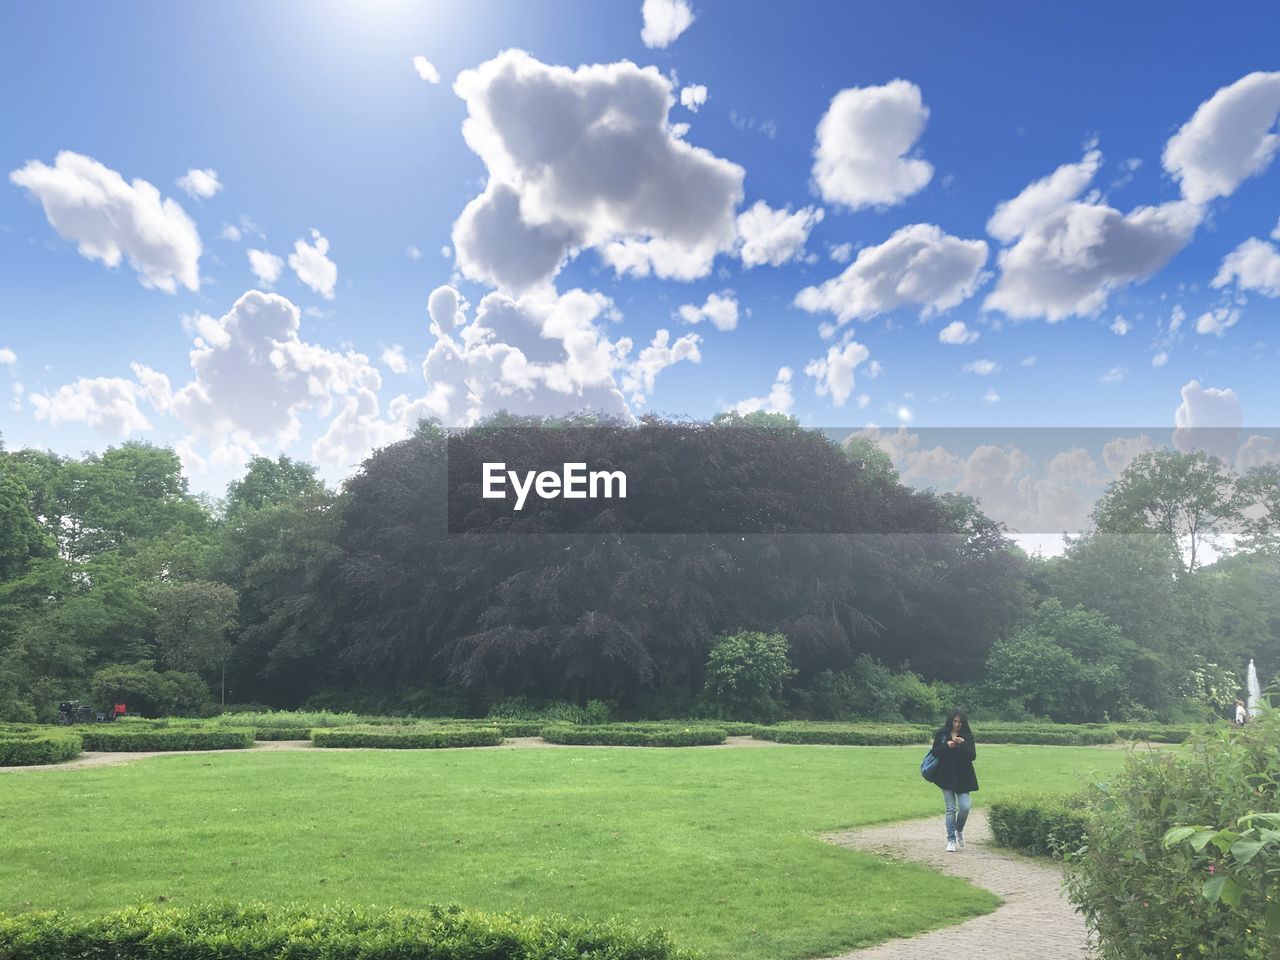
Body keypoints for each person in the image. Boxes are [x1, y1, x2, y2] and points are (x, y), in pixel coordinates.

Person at [931, 709, 979, 852]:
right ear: (950, 721)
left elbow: (972, 756)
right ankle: (951, 840)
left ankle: (959, 830)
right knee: (950, 808)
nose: (957, 724)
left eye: (960, 722)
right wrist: (948, 745)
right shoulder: (942, 734)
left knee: (965, 807)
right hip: (946, 775)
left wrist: (963, 744)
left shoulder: (968, 736)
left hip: (963, 776)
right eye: (955, 721)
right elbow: (935, 752)